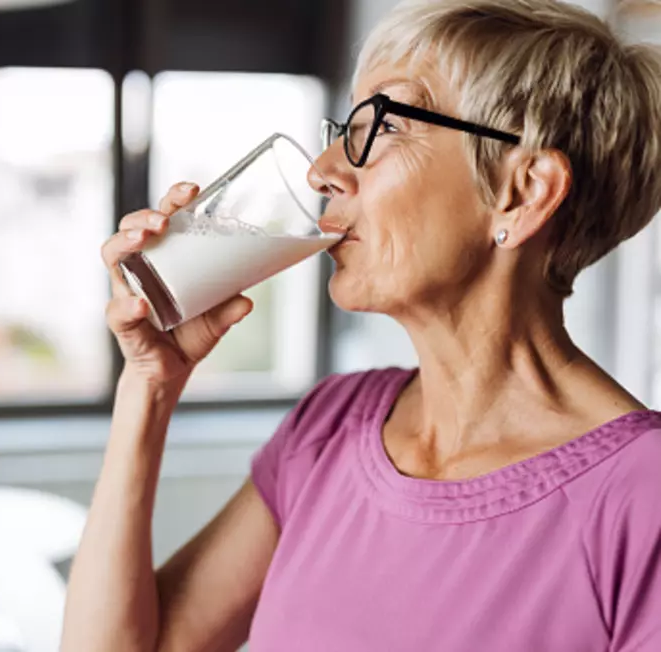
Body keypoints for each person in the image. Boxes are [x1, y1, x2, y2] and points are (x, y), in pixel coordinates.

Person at [61, 0, 661, 649]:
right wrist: (148, 385)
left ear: (523, 191)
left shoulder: (641, 498)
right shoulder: (331, 425)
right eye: (342, 125)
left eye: (382, 125)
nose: (321, 170)